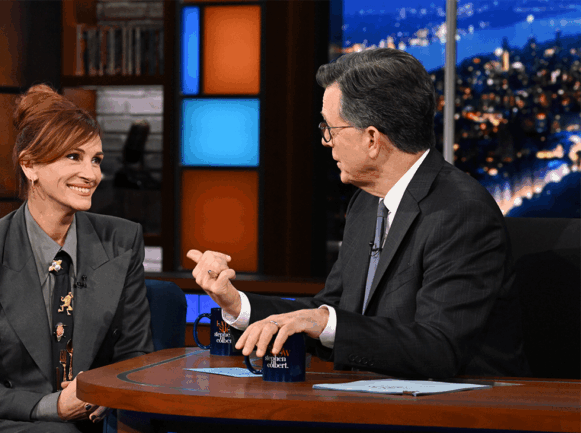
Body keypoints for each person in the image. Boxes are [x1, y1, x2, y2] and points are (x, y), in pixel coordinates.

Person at [188, 48, 530, 379]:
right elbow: (329, 311)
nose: (326, 141)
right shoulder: (367, 204)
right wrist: (237, 304)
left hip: (464, 411)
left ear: (371, 139)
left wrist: (325, 322)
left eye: (331, 129)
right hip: (371, 400)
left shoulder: (460, 212)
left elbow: (439, 348)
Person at [0, 84, 153, 433]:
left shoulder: (122, 240)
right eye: (73, 157)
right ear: (30, 166)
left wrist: (107, 390)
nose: (91, 174)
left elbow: (136, 358)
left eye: (96, 159)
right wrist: (53, 406)